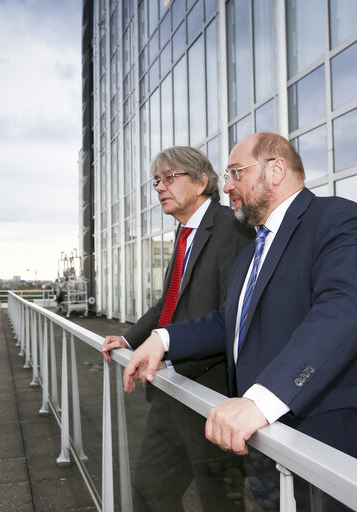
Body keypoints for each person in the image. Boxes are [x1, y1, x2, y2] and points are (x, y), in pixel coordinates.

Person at [123, 133, 357, 506]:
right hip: (271, 447)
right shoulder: (252, 250)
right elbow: (228, 322)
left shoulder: (337, 218)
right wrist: (162, 340)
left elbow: (346, 310)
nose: (226, 186)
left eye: (235, 173)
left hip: (334, 439)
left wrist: (262, 401)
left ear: (276, 170)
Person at [101, 146, 254, 511]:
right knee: (150, 488)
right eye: (157, 180)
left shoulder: (232, 227)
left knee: (220, 501)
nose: (159, 188)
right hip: (171, 388)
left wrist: (164, 342)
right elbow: (170, 301)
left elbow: (231, 317)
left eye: (170, 177)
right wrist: (129, 338)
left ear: (202, 181)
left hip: (211, 394)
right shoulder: (185, 233)